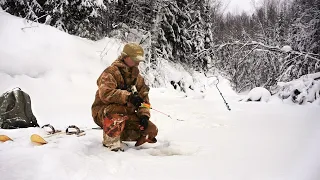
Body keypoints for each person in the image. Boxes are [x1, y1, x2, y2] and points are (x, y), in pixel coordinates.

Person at [91, 42, 158, 151]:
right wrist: (128, 97)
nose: (138, 62)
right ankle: (111, 142)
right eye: (135, 59)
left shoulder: (138, 77)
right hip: (104, 112)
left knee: (151, 130)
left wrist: (144, 116)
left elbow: (144, 99)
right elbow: (105, 94)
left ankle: (120, 133)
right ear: (125, 57)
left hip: (126, 113)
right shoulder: (110, 72)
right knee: (116, 111)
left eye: (139, 59)